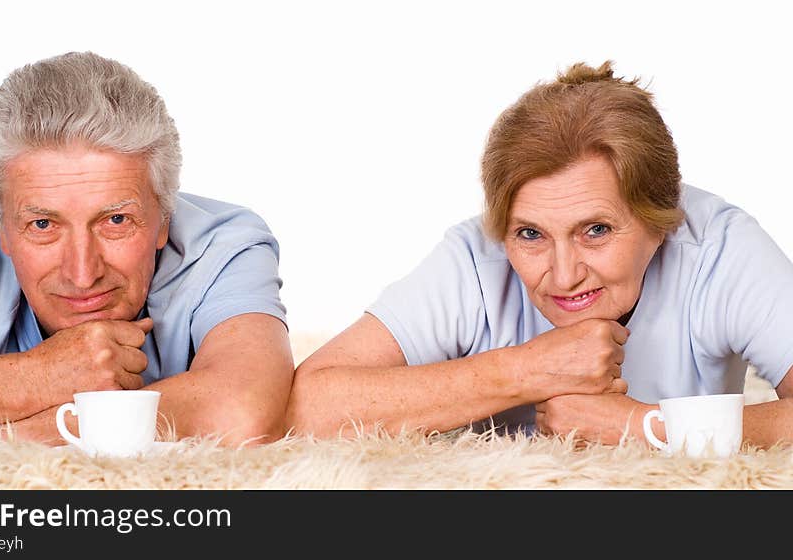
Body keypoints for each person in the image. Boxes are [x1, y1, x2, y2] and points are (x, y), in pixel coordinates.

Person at [286, 61, 793, 449]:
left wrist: (645, 427)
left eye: (595, 230)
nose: (565, 275)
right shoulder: (474, 259)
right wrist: (525, 371)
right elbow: (309, 404)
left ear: (660, 222)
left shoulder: (719, 249)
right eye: (530, 235)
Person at [0, 51, 294, 447]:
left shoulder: (225, 245)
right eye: (42, 224)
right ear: (2, 229)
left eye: (116, 221)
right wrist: (41, 375)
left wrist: (3, 440)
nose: (83, 273)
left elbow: (245, 409)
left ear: (164, 219)